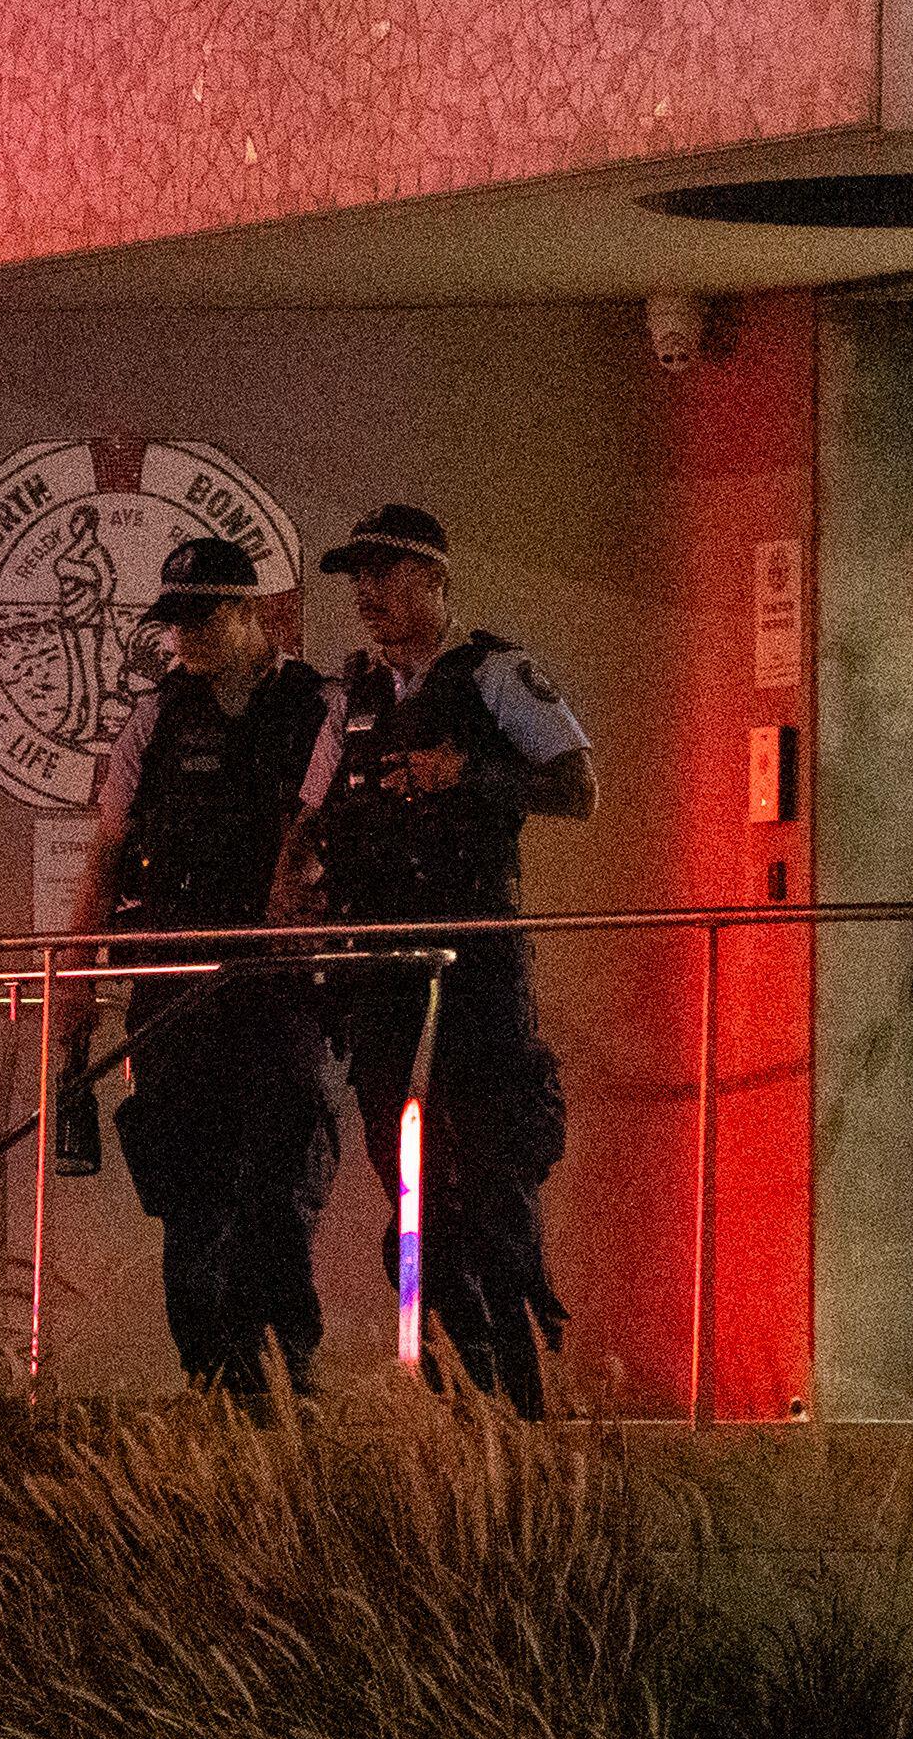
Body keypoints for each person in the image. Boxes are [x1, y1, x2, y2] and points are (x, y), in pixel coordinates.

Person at [284, 506, 591, 1420]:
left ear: (435, 580)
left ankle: (523, 1395)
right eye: (357, 580)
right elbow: (306, 821)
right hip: (381, 975)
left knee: (494, 1175)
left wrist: (472, 776)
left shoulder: (493, 674)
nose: (368, 596)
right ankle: (460, 1391)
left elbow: (581, 788)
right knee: (407, 1182)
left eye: (385, 574)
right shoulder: (349, 699)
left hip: (479, 971)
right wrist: (291, 899)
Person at [72, 536, 342, 1406]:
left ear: (250, 612)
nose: (180, 638)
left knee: (276, 1188)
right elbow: (105, 856)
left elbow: (327, 839)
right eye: (173, 620)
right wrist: (76, 981)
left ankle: (284, 1384)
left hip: (277, 991)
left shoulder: (318, 707)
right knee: (188, 1202)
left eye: (199, 618)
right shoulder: (154, 720)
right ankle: (210, 1386)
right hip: (173, 988)